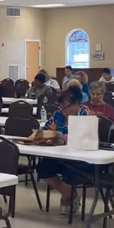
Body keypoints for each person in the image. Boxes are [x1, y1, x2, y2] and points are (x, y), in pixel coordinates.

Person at [35, 85, 91, 215]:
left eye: (65, 107)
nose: (62, 110)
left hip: (79, 156)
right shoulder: (58, 114)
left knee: (69, 171)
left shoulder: (85, 113)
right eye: (61, 107)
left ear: (76, 104)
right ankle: (70, 194)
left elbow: (85, 135)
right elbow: (47, 128)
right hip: (59, 153)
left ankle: (66, 197)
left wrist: (67, 137)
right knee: (43, 168)